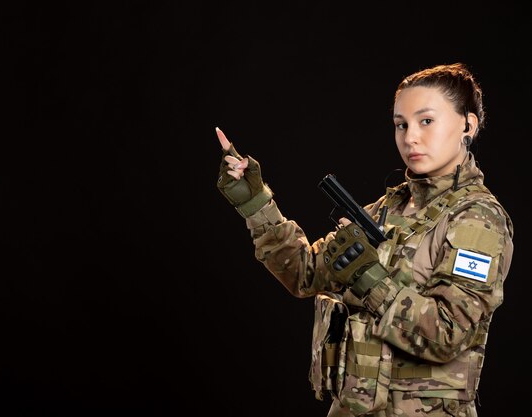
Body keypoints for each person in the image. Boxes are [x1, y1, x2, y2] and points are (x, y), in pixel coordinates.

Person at [214, 62, 514, 417]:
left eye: (426, 121)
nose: (410, 137)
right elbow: (303, 274)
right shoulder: (386, 208)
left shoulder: (477, 219)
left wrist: (370, 278)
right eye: (401, 125)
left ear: (468, 125)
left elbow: (447, 335)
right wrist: (256, 202)